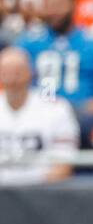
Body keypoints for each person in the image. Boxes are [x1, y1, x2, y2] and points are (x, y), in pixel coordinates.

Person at [17, 0, 93, 106]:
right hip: (40, 114)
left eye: (59, 4)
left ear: (74, 3)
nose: (54, 11)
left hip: (86, 113)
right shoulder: (28, 42)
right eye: (49, 4)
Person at [0, 46, 78, 185]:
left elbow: (63, 166)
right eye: (6, 71)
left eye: (18, 71)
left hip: (42, 193)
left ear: (30, 72)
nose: (12, 78)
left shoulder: (56, 108)